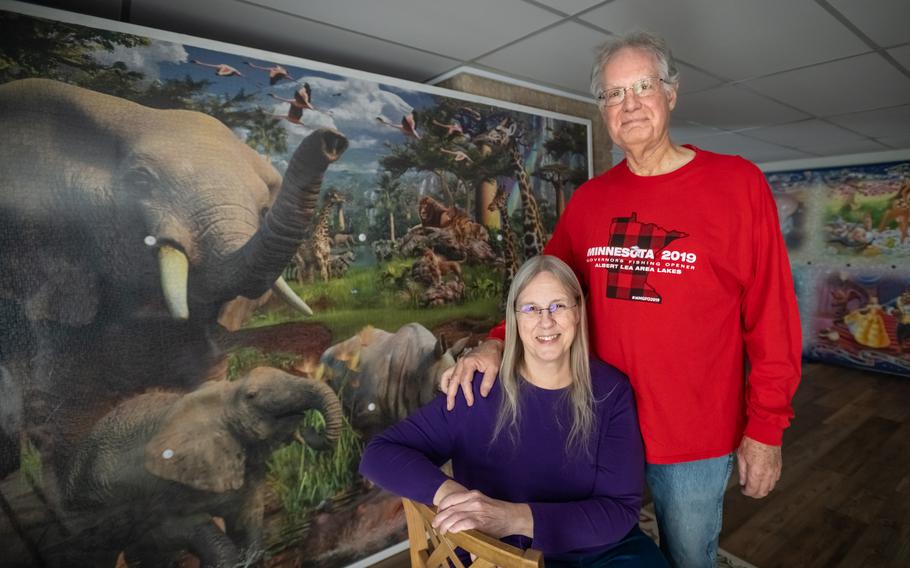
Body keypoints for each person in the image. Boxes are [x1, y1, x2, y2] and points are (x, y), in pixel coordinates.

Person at [440, 30, 802, 568]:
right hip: (600, 428)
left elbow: (773, 318)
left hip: (695, 438)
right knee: (604, 552)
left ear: (671, 93)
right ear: (603, 108)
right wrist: (497, 344)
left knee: (687, 556)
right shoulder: (590, 201)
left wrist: (765, 429)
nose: (628, 104)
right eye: (613, 94)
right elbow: (545, 288)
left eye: (642, 87)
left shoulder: (737, 184)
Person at [360, 255, 667, 567]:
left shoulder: (611, 390)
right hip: (498, 554)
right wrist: (453, 496)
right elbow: (379, 454)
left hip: (595, 547)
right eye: (531, 309)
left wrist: (514, 518)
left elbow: (618, 510)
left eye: (558, 306)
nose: (545, 321)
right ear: (515, 319)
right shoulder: (477, 388)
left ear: (578, 312)